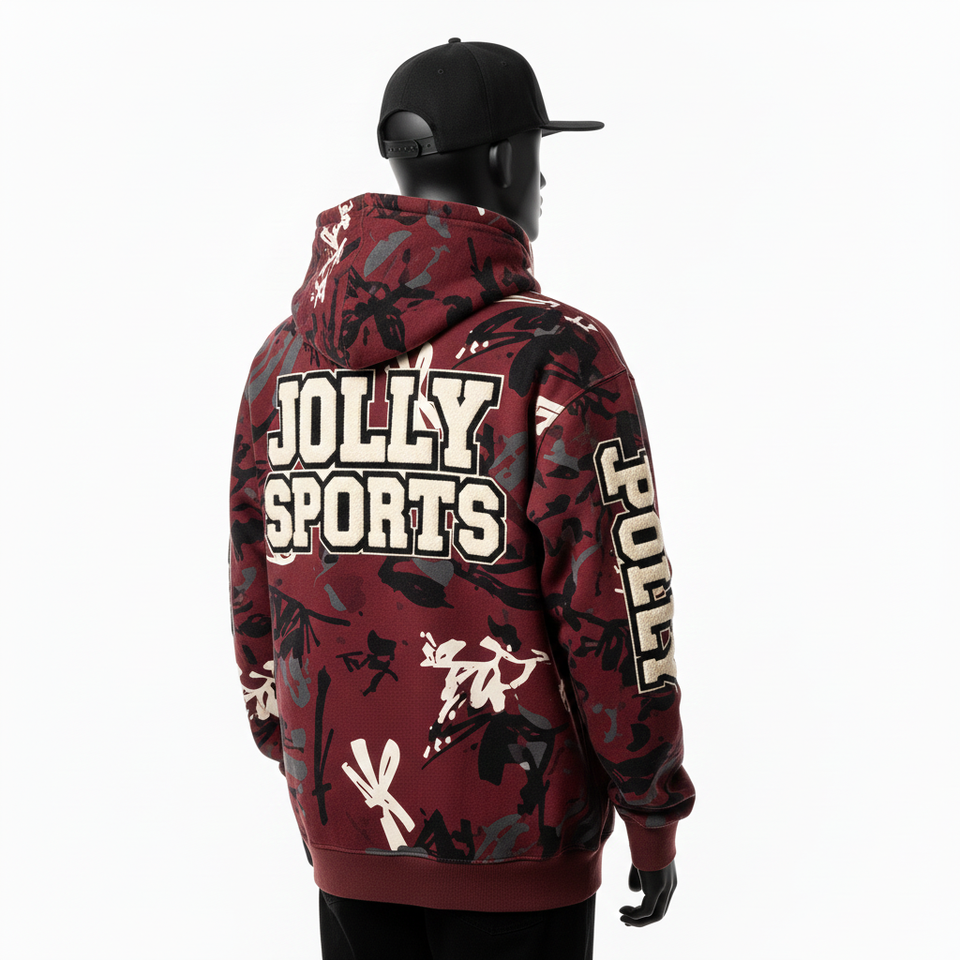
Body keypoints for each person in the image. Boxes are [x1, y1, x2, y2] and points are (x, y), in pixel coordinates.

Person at [229, 39, 695, 960]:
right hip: (522, 846)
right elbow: (618, 606)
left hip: (344, 833)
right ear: (508, 160)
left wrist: (297, 757)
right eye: (539, 155)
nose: (544, 182)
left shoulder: (281, 363)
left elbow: (256, 584)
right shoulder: (560, 357)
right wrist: (652, 812)